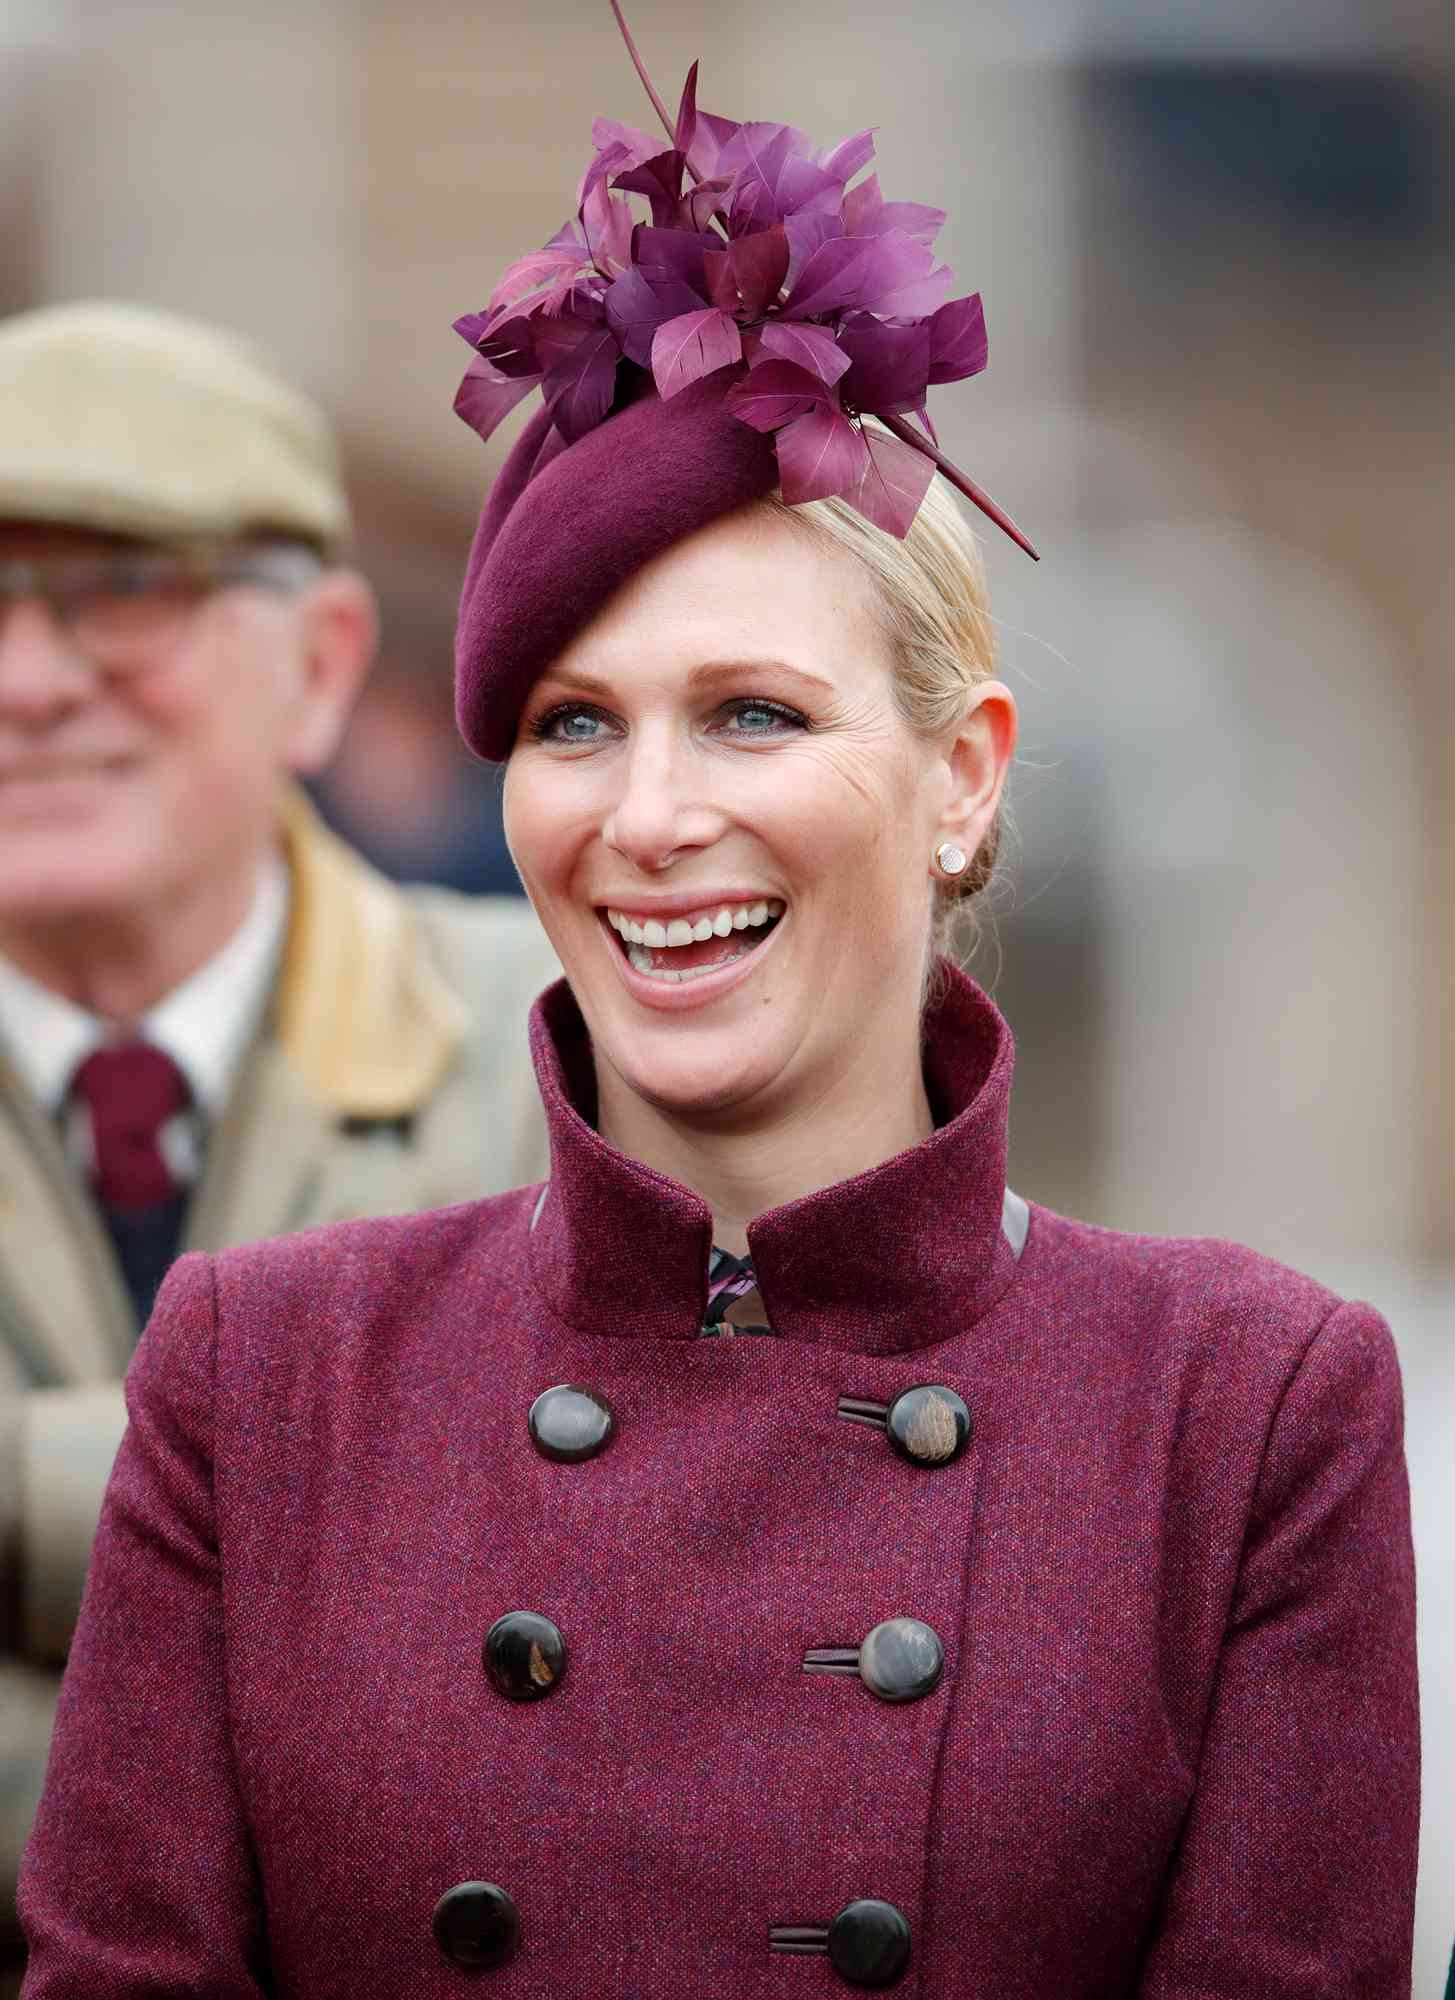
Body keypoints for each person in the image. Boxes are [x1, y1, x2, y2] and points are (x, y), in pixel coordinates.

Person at [17, 24, 1418, 1997]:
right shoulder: (262, 1376)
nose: (650, 817)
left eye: (752, 713)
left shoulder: (1245, 1412)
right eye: (576, 725)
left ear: (961, 776)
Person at [0, 302, 555, 1985]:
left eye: (125, 592)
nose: (29, 683)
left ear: (321, 666)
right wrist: (350, 1487)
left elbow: (628, 1536)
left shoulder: (566, 1048)